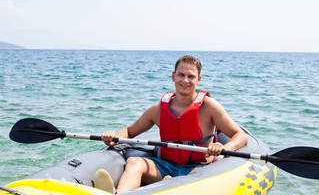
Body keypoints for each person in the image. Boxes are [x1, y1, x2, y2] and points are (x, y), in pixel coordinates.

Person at [96, 55, 248, 194]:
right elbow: (129, 131)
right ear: (173, 76)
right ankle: (120, 193)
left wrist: (224, 148)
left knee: (193, 178)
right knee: (134, 162)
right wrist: (114, 137)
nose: (185, 80)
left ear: (198, 80)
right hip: (165, 166)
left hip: (197, 169)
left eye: (191, 76)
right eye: (181, 75)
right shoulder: (158, 110)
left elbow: (240, 135)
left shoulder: (209, 107)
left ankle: (168, 186)